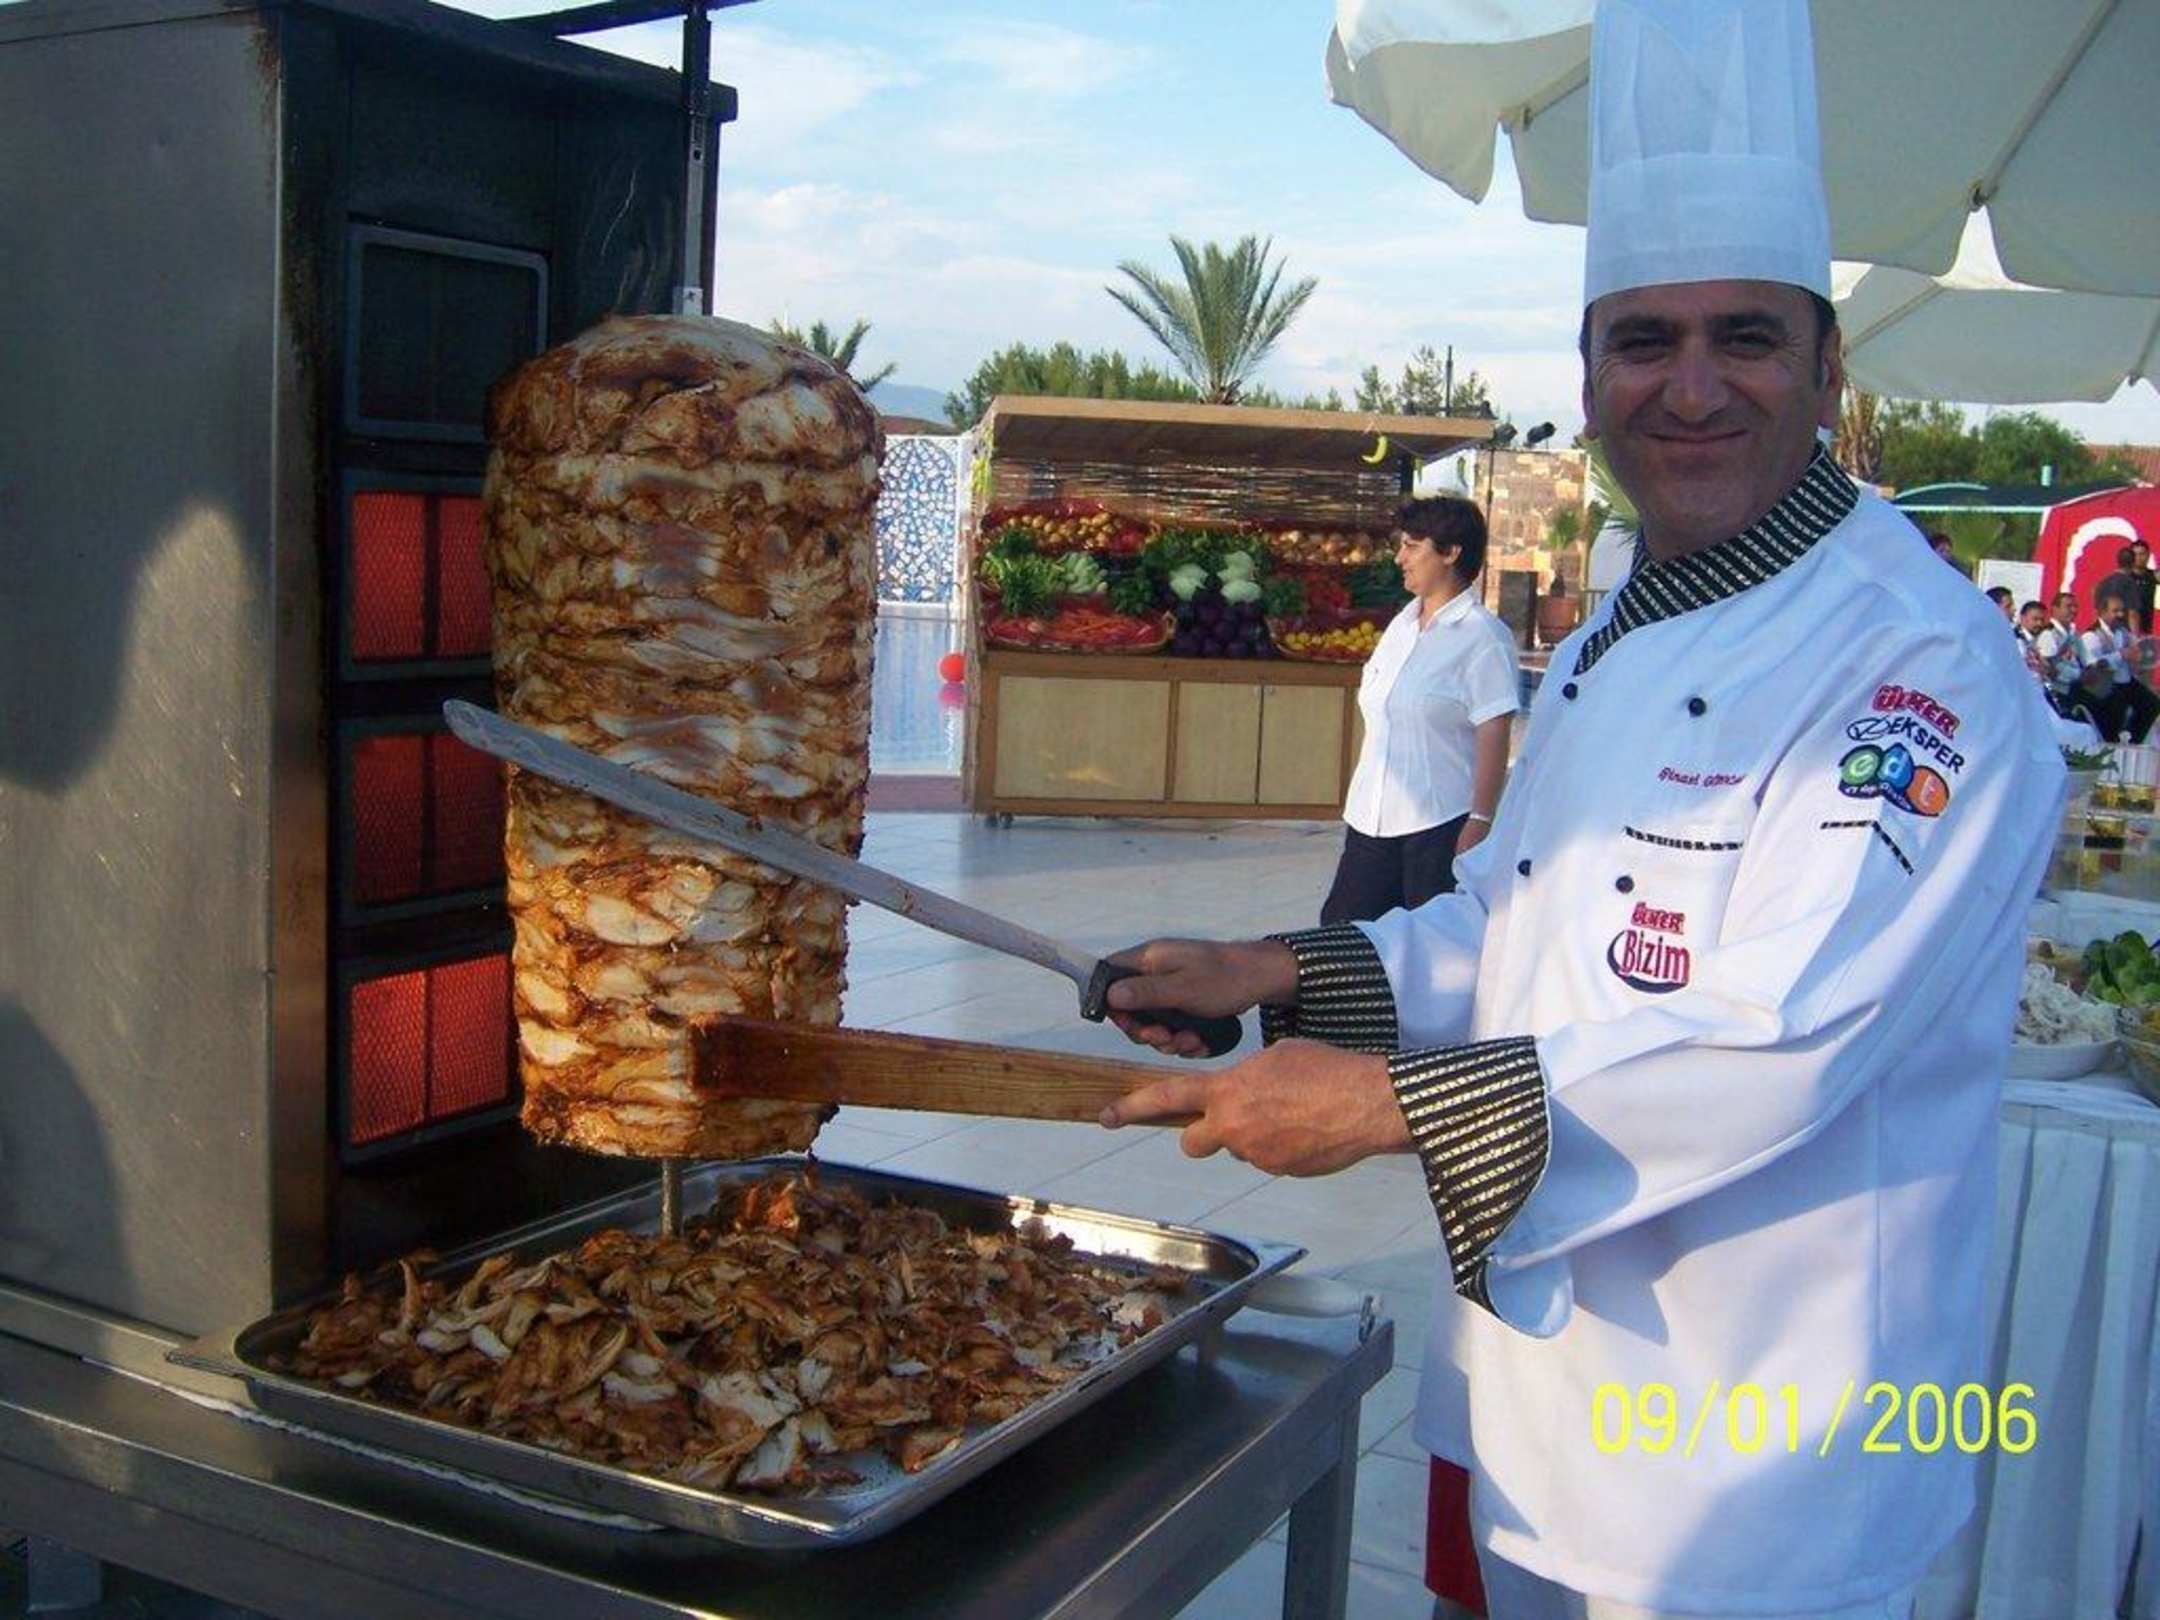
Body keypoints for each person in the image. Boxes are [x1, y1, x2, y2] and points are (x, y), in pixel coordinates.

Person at [1094, 4, 2061, 1615]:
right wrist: (1281, 972)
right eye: (1643, 342)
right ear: (1590, 372)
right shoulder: (1620, 628)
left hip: (1763, 1456)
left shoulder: (1920, 665)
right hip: (1541, 1396)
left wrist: (1382, 1109)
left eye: (1746, 338)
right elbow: (1525, 916)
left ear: (1828, 367)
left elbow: (1783, 1034)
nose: (1692, 389)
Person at [1321, 497, 1519, 926]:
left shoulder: (1483, 636)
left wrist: (1481, 819)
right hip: (1371, 816)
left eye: (1412, 546)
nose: (1400, 558)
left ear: (1450, 553)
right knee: (1343, 936)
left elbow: (1494, 729)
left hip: (1440, 824)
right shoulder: (1401, 625)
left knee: (1430, 943)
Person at [2077, 590, 2160, 742]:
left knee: (2152, 704)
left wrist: (2139, 658)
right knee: (2117, 710)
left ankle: (2133, 740)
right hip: (2105, 686)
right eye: (2115, 611)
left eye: (2122, 611)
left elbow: (2138, 650)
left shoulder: (2122, 632)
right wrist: (2120, 655)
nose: (2120, 615)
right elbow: (2094, 665)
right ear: (2102, 612)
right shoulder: (2091, 635)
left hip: (2126, 682)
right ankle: (2110, 742)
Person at [2096, 544, 2142, 636]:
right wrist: (2135, 637)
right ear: (2133, 563)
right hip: (2122, 633)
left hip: (2104, 632)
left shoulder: (2102, 583)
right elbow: (2132, 614)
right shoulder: (2129, 584)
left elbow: (2097, 611)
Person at [2132, 538, 2156, 635]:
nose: (2138, 558)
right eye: (2135, 554)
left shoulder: (2155, 578)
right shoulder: (2123, 578)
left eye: (2142, 554)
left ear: (2148, 555)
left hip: (2148, 632)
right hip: (2127, 634)